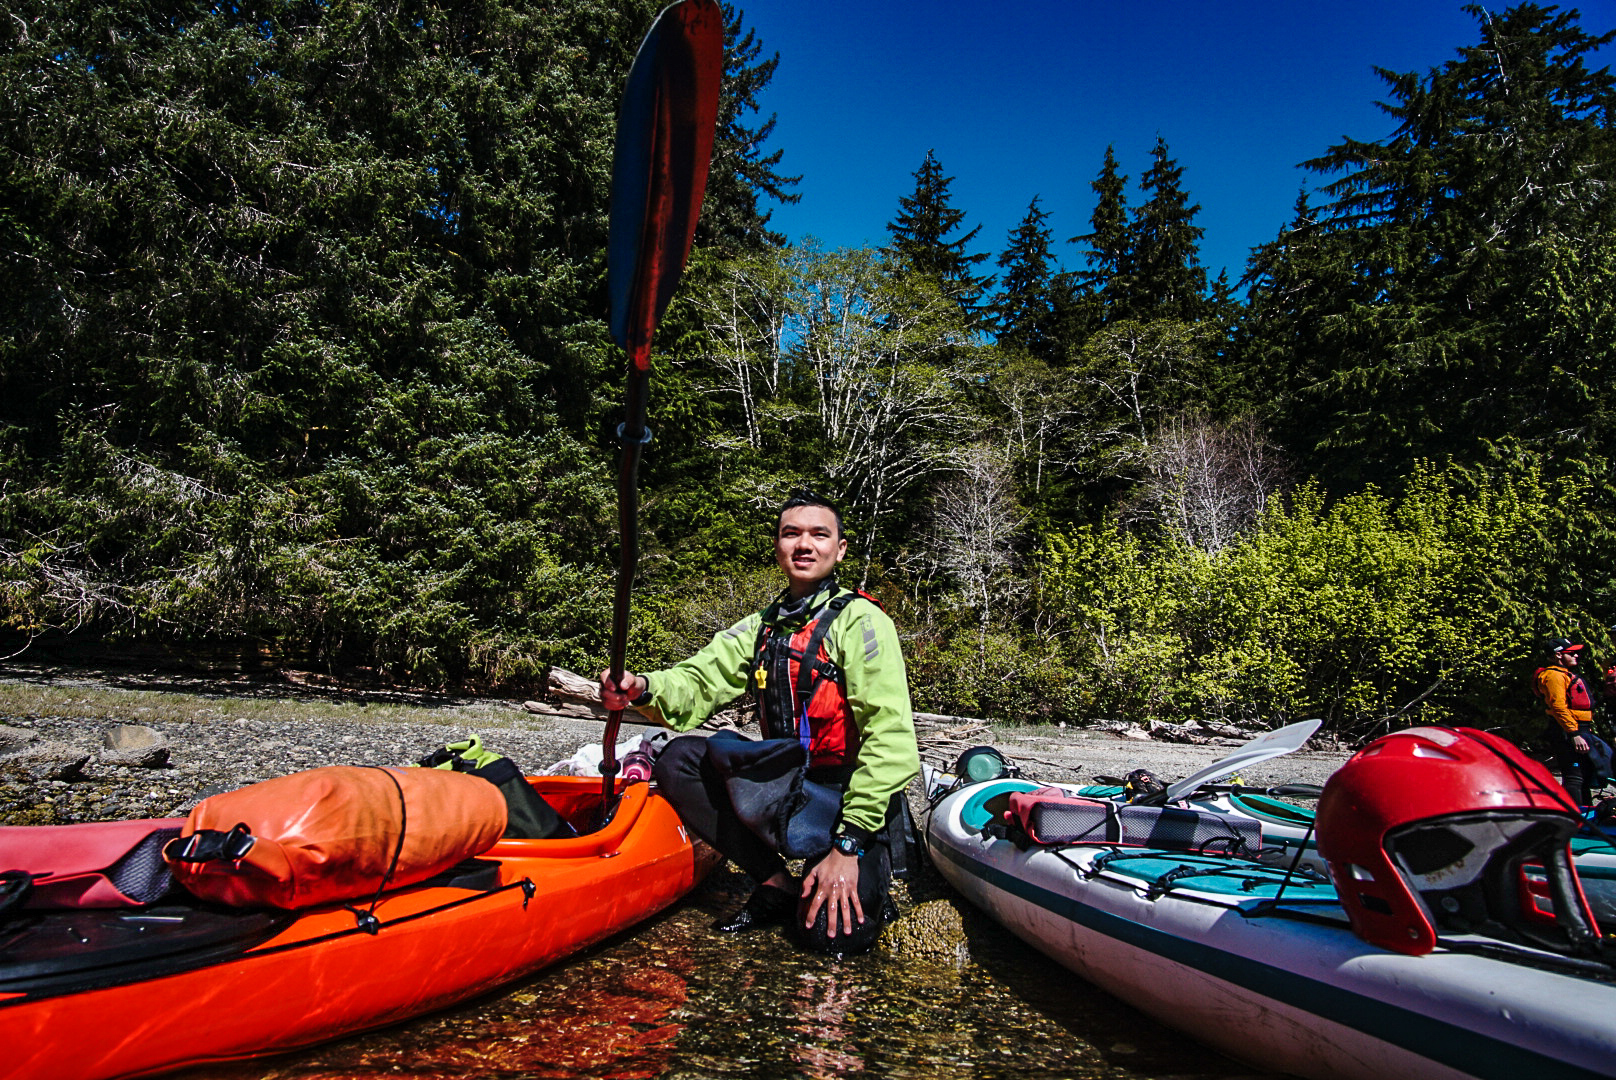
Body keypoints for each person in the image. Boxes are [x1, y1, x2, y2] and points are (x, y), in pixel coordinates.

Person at [600, 493, 920, 954]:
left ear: (841, 548)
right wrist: (643, 687)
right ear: (778, 546)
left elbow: (892, 744)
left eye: (819, 535)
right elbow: (699, 679)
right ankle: (775, 882)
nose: (804, 545)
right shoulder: (761, 627)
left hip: (845, 800)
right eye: (792, 534)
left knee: (833, 937)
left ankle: (850, 864)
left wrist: (846, 849)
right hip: (789, 783)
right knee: (679, 759)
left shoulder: (864, 623)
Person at [1534, 637, 1599, 805]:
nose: (1576, 656)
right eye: (1571, 653)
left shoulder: (1564, 674)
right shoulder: (1554, 676)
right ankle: (1576, 818)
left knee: (1584, 775)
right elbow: (1558, 707)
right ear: (1558, 655)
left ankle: (1586, 816)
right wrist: (1574, 734)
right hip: (1566, 730)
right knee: (1574, 775)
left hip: (1578, 728)